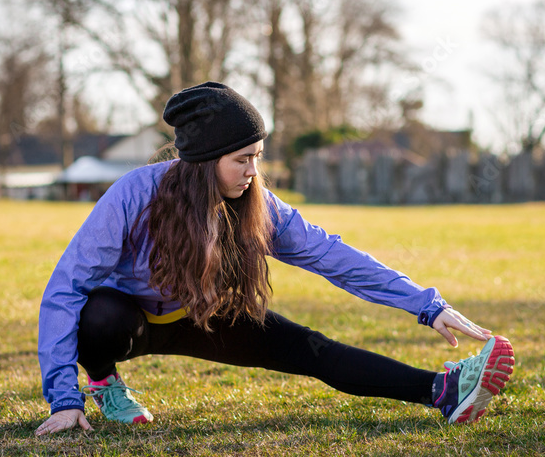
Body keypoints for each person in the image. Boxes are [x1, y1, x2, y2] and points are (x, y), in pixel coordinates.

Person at [35, 81, 514, 436]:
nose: (252, 171)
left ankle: (442, 392)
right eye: (242, 159)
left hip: (203, 314)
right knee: (97, 313)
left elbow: (332, 255)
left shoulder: (259, 205)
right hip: (127, 321)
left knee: (312, 348)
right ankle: (103, 383)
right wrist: (62, 397)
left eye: (258, 156)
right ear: (205, 161)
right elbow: (65, 288)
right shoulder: (134, 195)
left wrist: (425, 305)